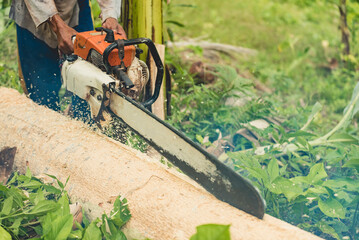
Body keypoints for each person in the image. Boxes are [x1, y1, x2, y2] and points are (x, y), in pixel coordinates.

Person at [9, 0, 126, 120]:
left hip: (76, 7)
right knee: (43, 100)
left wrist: (110, 16)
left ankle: (84, 126)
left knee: (89, 90)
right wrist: (57, 25)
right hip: (34, 11)